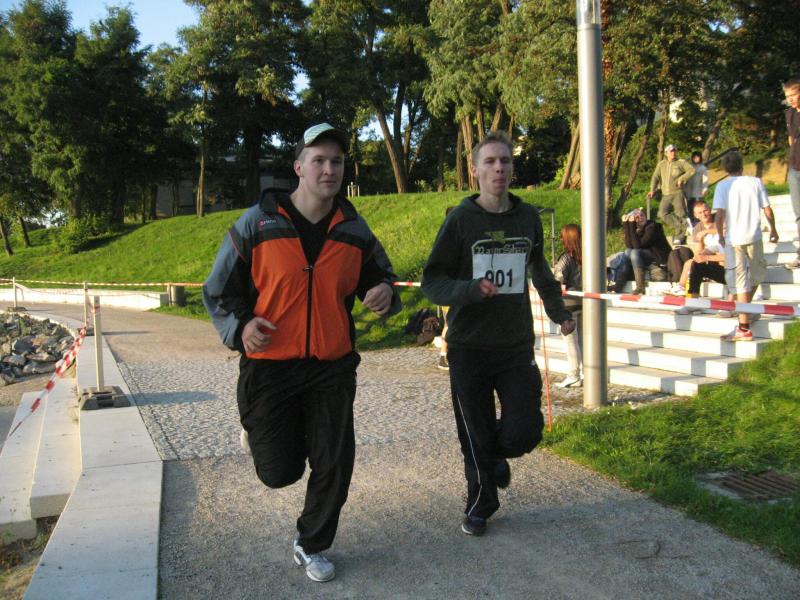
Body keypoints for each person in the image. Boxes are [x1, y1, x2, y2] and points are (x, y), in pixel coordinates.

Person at [203, 123, 401, 583]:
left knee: (335, 459)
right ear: (298, 168)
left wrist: (385, 292)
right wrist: (241, 326)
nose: (329, 169)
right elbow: (218, 290)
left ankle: (311, 543)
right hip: (270, 366)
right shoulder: (257, 223)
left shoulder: (353, 228)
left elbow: (383, 276)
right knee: (279, 472)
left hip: (332, 366)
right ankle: (259, 433)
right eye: (319, 160)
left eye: (337, 161)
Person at [422, 130, 575, 537]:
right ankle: (480, 504)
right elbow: (432, 282)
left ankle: (494, 457)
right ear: (475, 171)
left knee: (524, 431)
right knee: (473, 434)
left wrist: (559, 312)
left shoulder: (527, 218)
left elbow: (541, 271)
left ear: (512, 168)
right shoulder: (460, 220)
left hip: (514, 345)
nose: (498, 168)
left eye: (504, 161)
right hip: (468, 347)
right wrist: (470, 290)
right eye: (489, 162)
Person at [713, 151, 778, 341]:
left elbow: (719, 215)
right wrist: (773, 230)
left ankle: (744, 326)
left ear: (725, 169)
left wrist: (720, 235)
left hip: (734, 239)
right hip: (754, 236)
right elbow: (767, 210)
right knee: (757, 274)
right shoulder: (755, 182)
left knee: (740, 281)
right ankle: (746, 311)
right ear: (742, 167)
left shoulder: (722, 186)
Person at [664, 200, 716, 296]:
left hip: (723, 254)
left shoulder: (718, 220)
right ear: (696, 215)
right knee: (690, 262)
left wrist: (707, 232)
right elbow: (699, 251)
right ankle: (681, 287)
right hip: (709, 255)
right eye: (700, 212)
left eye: (705, 211)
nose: (704, 214)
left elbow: (724, 231)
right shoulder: (697, 228)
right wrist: (699, 254)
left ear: (709, 210)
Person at [553, 224, 583, 388]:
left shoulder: (566, 258)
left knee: (571, 342)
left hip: (568, 304)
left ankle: (573, 375)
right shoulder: (588, 256)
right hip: (586, 302)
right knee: (583, 341)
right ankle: (585, 372)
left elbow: (557, 279)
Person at [617, 207, 672, 295]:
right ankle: (619, 284)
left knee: (635, 252)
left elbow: (638, 246)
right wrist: (626, 224)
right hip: (646, 255)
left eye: (642, 215)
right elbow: (629, 245)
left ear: (646, 216)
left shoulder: (652, 227)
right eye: (637, 217)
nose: (640, 218)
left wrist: (631, 225)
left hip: (659, 256)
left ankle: (640, 286)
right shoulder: (636, 228)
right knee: (628, 251)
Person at [648, 144, 695, 243]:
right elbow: (655, 177)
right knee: (662, 214)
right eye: (671, 151)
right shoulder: (661, 164)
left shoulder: (681, 162)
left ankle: (679, 238)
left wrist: (682, 178)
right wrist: (652, 190)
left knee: (680, 214)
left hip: (678, 193)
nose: (673, 153)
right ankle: (685, 224)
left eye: (674, 151)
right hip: (666, 194)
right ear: (666, 153)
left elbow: (692, 170)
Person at [783, 77, 800, 269]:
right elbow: (790, 138)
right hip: (795, 168)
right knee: (798, 213)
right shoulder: (789, 114)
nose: (790, 99)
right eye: (788, 96)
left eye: (793, 95)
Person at [684, 150, 709, 223]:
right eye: (694, 157)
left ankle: (699, 222)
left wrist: (705, 189)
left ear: (700, 158)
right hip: (689, 192)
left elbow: (705, 180)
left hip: (698, 192)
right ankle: (692, 223)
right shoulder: (689, 167)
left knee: (699, 208)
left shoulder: (703, 168)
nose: (696, 159)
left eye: (698, 157)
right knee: (690, 208)